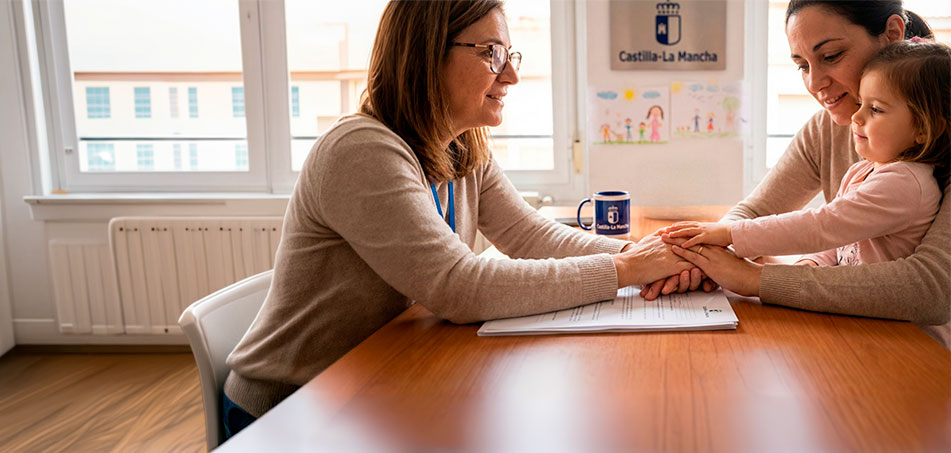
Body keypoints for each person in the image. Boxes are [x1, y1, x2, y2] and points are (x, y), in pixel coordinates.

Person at [220, 0, 690, 438]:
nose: (510, 76)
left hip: (378, 380)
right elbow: (459, 286)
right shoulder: (362, 150)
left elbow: (527, 233)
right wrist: (627, 270)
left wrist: (643, 253)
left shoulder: (462, 145)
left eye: (510, 55)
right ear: (426, 55)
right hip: (291, 408)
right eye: (491, 53)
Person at [644, 0, 950, 347]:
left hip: (922, 357)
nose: (815, 83)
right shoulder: (833, 130)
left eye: (831, 56)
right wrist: (700, 260)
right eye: (802, 65)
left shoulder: (937, 140)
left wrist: (754, 278)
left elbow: (929, 289)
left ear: (892, 34)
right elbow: (757, 212)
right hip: (857, 338)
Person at [664, 40, 947, 279]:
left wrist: (730, 233)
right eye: (860, 104)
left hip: (903, 338)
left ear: (923, 129)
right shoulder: (863, 171)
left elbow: (824, 225)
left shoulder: (906, 183)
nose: (856, 117)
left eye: (875, 109)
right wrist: (812, 263)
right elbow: (840, 239)